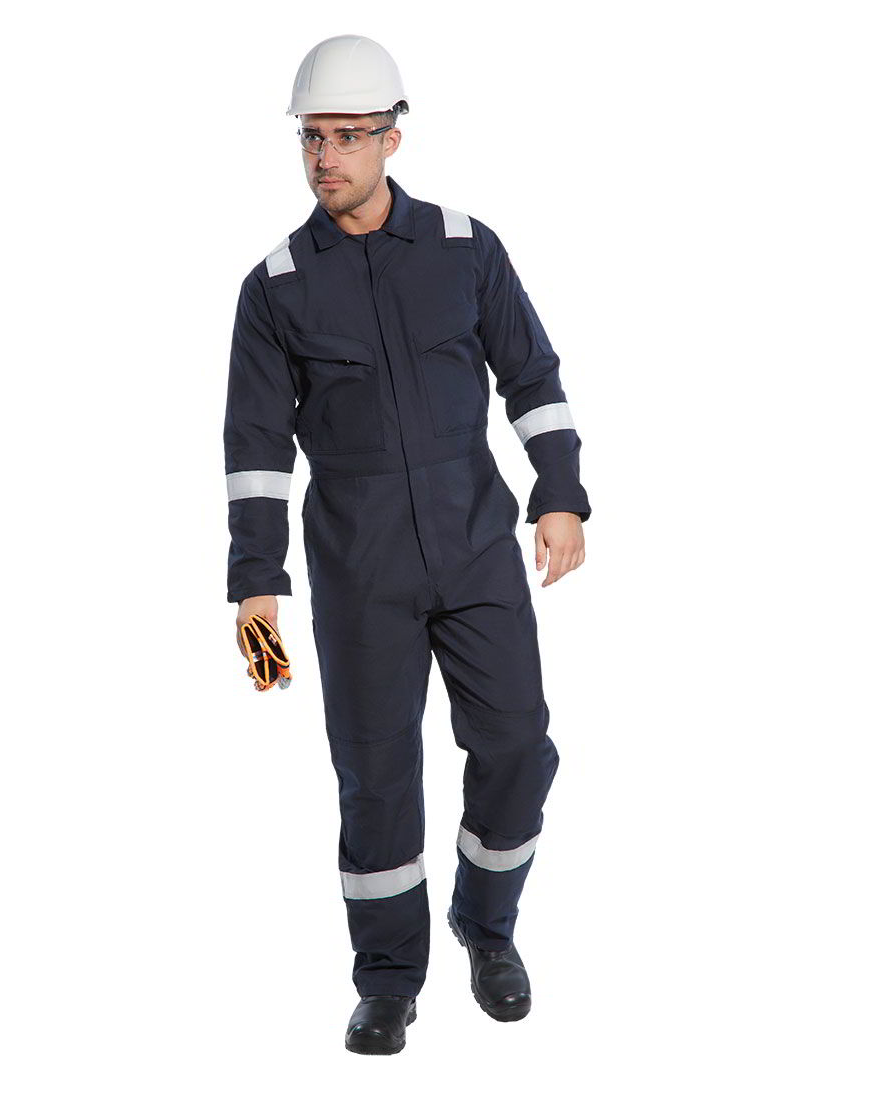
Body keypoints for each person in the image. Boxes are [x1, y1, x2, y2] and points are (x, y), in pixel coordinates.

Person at [223, 34, 591, 1055]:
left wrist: (559, 493)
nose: (325, 156)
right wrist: (256, 586)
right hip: (358, 568)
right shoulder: (276, 287)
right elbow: (254, 449)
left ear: (392, 137)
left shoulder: (466, 248)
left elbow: (531, 373)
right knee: (376, 778)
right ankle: (387, 978)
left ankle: (487, 922)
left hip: (474, 548)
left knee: (516, 744)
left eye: (347, 136)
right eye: (312, 137)